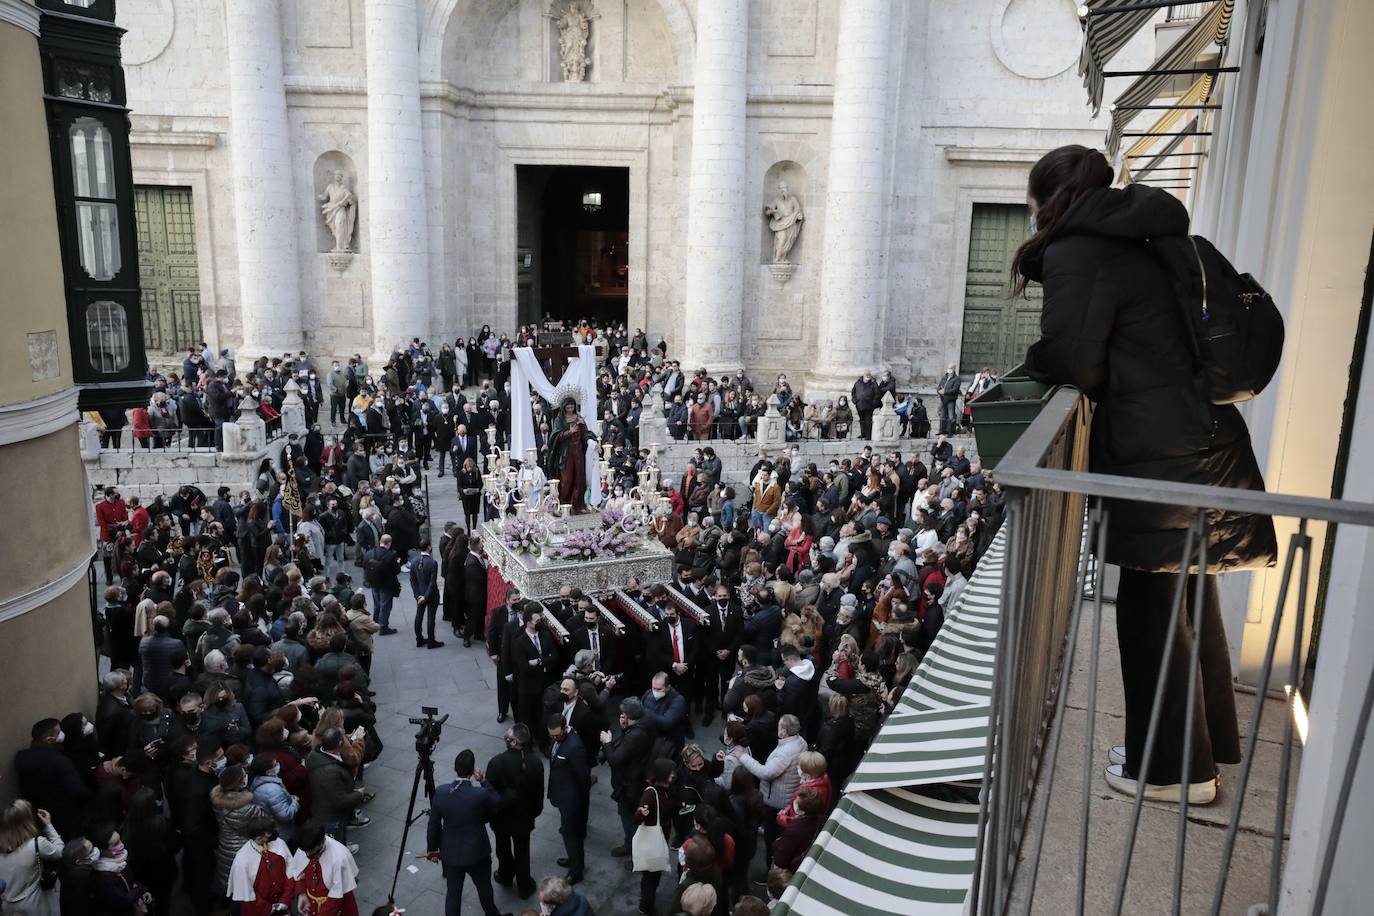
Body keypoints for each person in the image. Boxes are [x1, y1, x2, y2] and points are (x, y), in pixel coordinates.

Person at [1015, 144, 1275, 803]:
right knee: (1187, 590)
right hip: (1199, 437)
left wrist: (1034, 361)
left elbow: (1075, 361)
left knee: (1149, 602)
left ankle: (1171, 773)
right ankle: (1208, 746)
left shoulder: (1082, 248)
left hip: (1156, 449)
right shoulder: (1145, 231)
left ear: (1050, 197)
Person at [424, 749, 510, 916]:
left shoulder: (441, 793)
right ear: (472, 771)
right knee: (484, 888)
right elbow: (497, 802)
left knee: (453, 894)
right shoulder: (479, 793)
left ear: (455, 768)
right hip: (477, 853)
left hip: (451, 853)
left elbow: (433, 825)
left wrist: (432, 849)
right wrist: (484, 781)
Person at [485, 724, 544, 900]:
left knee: (502, 848)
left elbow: (490, 793)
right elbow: (538, 794)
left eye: (508, 737)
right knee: (522, 851)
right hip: (524, 818)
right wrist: (533, 813)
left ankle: (505, 875)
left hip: (501, 818)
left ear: (514, 742)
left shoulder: (496, 762)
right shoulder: (535, 762)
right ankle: (524, 886)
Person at [13, 718, 89, 840]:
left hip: (39, 814)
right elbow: (77, 791)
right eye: (58, 732)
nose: (62, 734)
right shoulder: (60, 761)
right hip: (66, 815)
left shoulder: (21, 757)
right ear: (49, 740)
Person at [601, 697, 656, 857]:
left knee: (630, 820)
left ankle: (636, 853)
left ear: (630, 716)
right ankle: (631, 845)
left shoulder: (636, 735)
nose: (621, 718)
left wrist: (607, 743)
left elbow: (615, 760)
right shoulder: (644, 723)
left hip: (630, 785)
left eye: (624, 715)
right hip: (634, 780)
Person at [546, 714, 591, 884]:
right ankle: (574, 860)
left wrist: (577, 802)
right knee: (568, 833)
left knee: (571, 834)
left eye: (556, 735)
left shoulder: (575, 747)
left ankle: (576, 870)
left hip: (572, 800)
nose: (553, 738)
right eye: (551, 735)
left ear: (565, 728)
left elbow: (583, 777)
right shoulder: (558, 738)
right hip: (562, 793)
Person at [0, 799, 63, 916]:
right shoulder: (36, 844)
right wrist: (48, 825)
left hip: (7, 906)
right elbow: (59, 851)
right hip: (35, 903)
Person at [286, 821, 361, 916]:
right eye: (306, 852)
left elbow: (336, 896)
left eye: (313, 852)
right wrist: (302, 894)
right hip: (312, 904)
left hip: (335, 909)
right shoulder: (307, 845)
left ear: (322, 842)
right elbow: (298, 871)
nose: (308, 856)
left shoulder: (339, 857)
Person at [633, 757, 675, 916]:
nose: (673, 775)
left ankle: (646, 903)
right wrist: (641, 814)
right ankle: (646, 906)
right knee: (652, 876)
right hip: (653, 840)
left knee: (652, 875)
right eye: (671, 773)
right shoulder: (651, 793)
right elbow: (636, 818)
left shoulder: (666, 787)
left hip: (660, 836)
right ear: (663, 774)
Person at [227, 816, 293, 916]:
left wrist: (285, 899)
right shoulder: (242, 860)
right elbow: (247, 894)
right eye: (260, 838)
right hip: (258, 910)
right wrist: (270, 908)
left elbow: (290, 873)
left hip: (283, 904)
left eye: (267, 836)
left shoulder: (279, 843)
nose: (265, 840)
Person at [362, 534, 401, 635]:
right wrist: (398, 563)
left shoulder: (369, 553)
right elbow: (396, 571)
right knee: (385, 605)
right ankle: (383, 627)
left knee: (377, 604)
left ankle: (375, 623)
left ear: (380, 541)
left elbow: (364, 566)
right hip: (386, 584)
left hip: (373, 582)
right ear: (389, 543)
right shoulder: (391, 555)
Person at [410, 539, 444, 649]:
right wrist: (426, 596)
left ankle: (419, 638)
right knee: (430, 618)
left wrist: (417, 595)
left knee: (419, 616)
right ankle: (431, 641)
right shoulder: (432, 563)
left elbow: (413, 580)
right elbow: (432, 582)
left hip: (419, 594)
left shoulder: (414, 561)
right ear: (429, 547)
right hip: (431, 595)